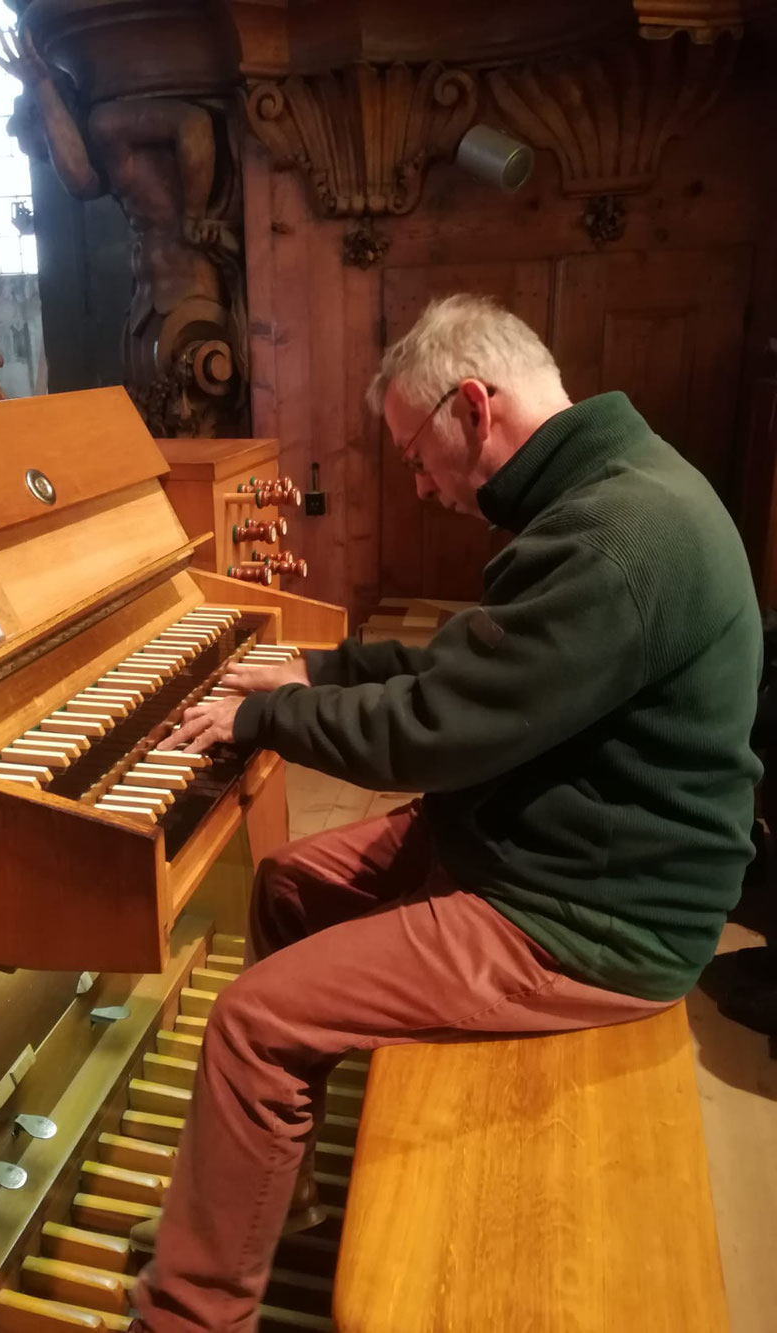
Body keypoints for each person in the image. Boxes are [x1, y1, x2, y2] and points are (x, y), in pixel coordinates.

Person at [127, 293, 763, 1332]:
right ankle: (277, 1194)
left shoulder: (617, 534)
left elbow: (429, 730)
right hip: (545, 843)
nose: (419, 487)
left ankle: (189, 1317)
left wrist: (269, 718)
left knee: (252, 1025)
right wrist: (326, 665)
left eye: (418, 456)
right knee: (289, 883)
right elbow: (483, 666)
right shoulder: (607, 492)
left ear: (475, 405)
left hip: (592, 914)